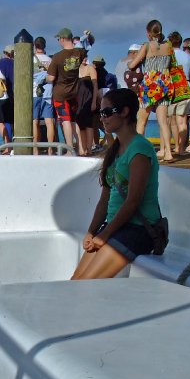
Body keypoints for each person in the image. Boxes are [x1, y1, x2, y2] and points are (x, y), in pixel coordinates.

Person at [71, 88, 161, 280]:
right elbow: (105, 200)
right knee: (74, 283)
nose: (102, 118)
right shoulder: (116, 150)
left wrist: (104, 236)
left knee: (84, 285)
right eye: (100, 113)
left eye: (106, 112)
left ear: (125, 112)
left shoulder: (140, 149)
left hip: (137, 231)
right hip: (115, 228)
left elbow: (133, 202)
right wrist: (92, 231)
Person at [127, 19, 175, 162]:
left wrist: (134, 60)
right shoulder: (168, 46)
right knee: (163, 121)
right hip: (164, 83)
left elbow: (132, 65)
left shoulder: (147, 46)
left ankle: (137, 152)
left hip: (150, 85)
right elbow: (172, 64)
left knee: (142, 121)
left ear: (148, 33)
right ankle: (168, 153)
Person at [47, 28, 85, 151]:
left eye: (59, 39)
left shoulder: (57, 57)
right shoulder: (80, 53)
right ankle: (80, 148)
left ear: (63, 39)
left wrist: (46, 77)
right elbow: (87, 43)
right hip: (74, 92)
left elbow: (51, 78)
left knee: (65, 121)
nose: (59, 41)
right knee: (74, 121)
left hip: (60, 94)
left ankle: (69, 149)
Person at [167, 31, 190, 156]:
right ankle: (182, 148)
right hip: (186, 87)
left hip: (173, 87)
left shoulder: (169, 55)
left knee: (172, 120)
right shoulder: (189, 57)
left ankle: (176, 146)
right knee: (183, 120)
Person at [32, 37, 56, 155]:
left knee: (35, 122)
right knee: (49, 122)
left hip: (35, 92)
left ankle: (35, 149)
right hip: (48, 92)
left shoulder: (31, 59)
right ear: (44, 46)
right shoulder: (50, 60)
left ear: (35, 46)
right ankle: (50, 149)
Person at [75, 54, 98, 156]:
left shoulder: (90, 68)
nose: (85, 59)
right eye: (82, 57)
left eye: (85, 57)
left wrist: (94, 102)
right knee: (80, 125)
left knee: (89, 124)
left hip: (88, 99)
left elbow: (95, 86)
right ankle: (83, 148)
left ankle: (89, 149)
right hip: (77, 100)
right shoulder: (75, 70)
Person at [0, 45, 15, 146]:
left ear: (5, 53)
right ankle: (16, 144)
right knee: (12, 122)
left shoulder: (0, 63)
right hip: (15, 96)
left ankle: (7, 145)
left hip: (3, 96)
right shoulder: (17, 63)